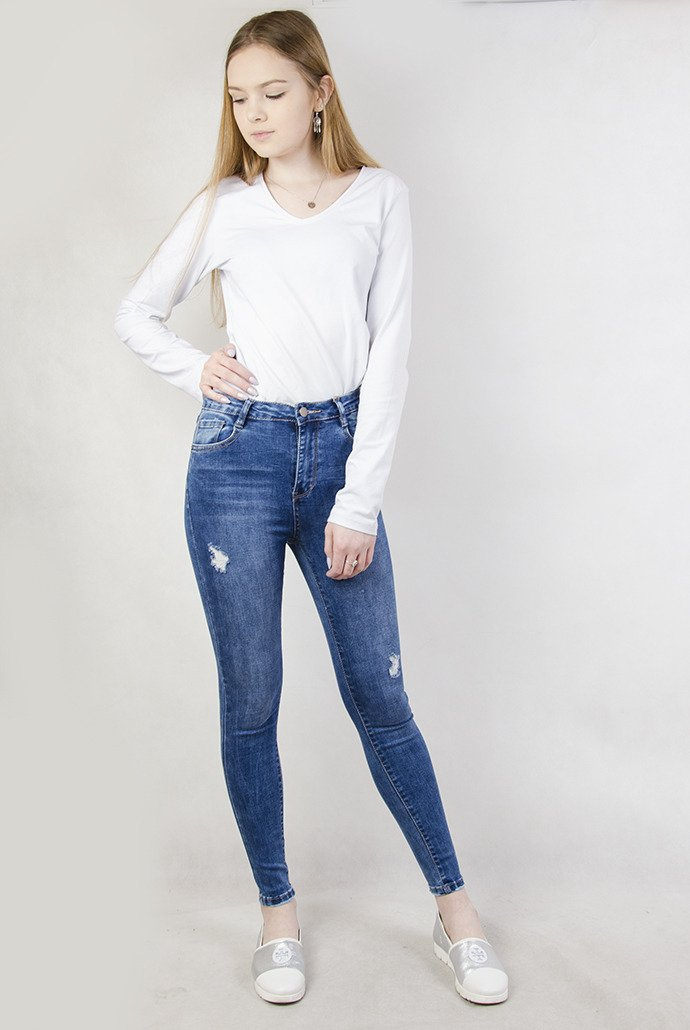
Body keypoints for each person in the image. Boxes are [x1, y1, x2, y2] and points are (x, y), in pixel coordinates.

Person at [114, 7, 509, 1008]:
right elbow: (136, 313)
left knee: (381, 697)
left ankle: (456, 911)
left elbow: (391, 351)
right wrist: (197, 369)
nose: (253, 113)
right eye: (238, 97)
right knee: (250, 701)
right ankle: (277, 916)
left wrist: (359, 502)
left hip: (340, 454)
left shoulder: (380, 199)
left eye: (274, 92)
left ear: (321, 92)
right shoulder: (225, 205)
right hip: (235, 465)